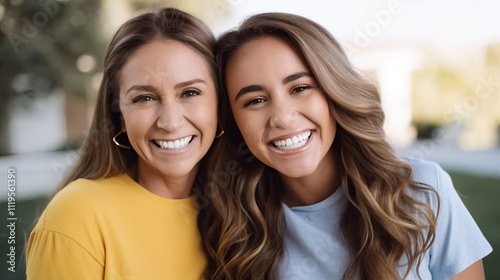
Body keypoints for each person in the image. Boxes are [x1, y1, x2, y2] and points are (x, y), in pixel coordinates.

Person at [198, 12, 493, 280]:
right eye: (255, 101)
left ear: (333, 90)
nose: (282, 118)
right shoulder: (227, 221)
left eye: (300, 88)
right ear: (233, 121)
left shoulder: (423, 190)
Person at [26, 8, 220, 279]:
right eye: (144, 98)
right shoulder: (78, 215)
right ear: (118, 114)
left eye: (190, 92)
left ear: (220, 104)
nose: (171, 122)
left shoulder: (240, 209)